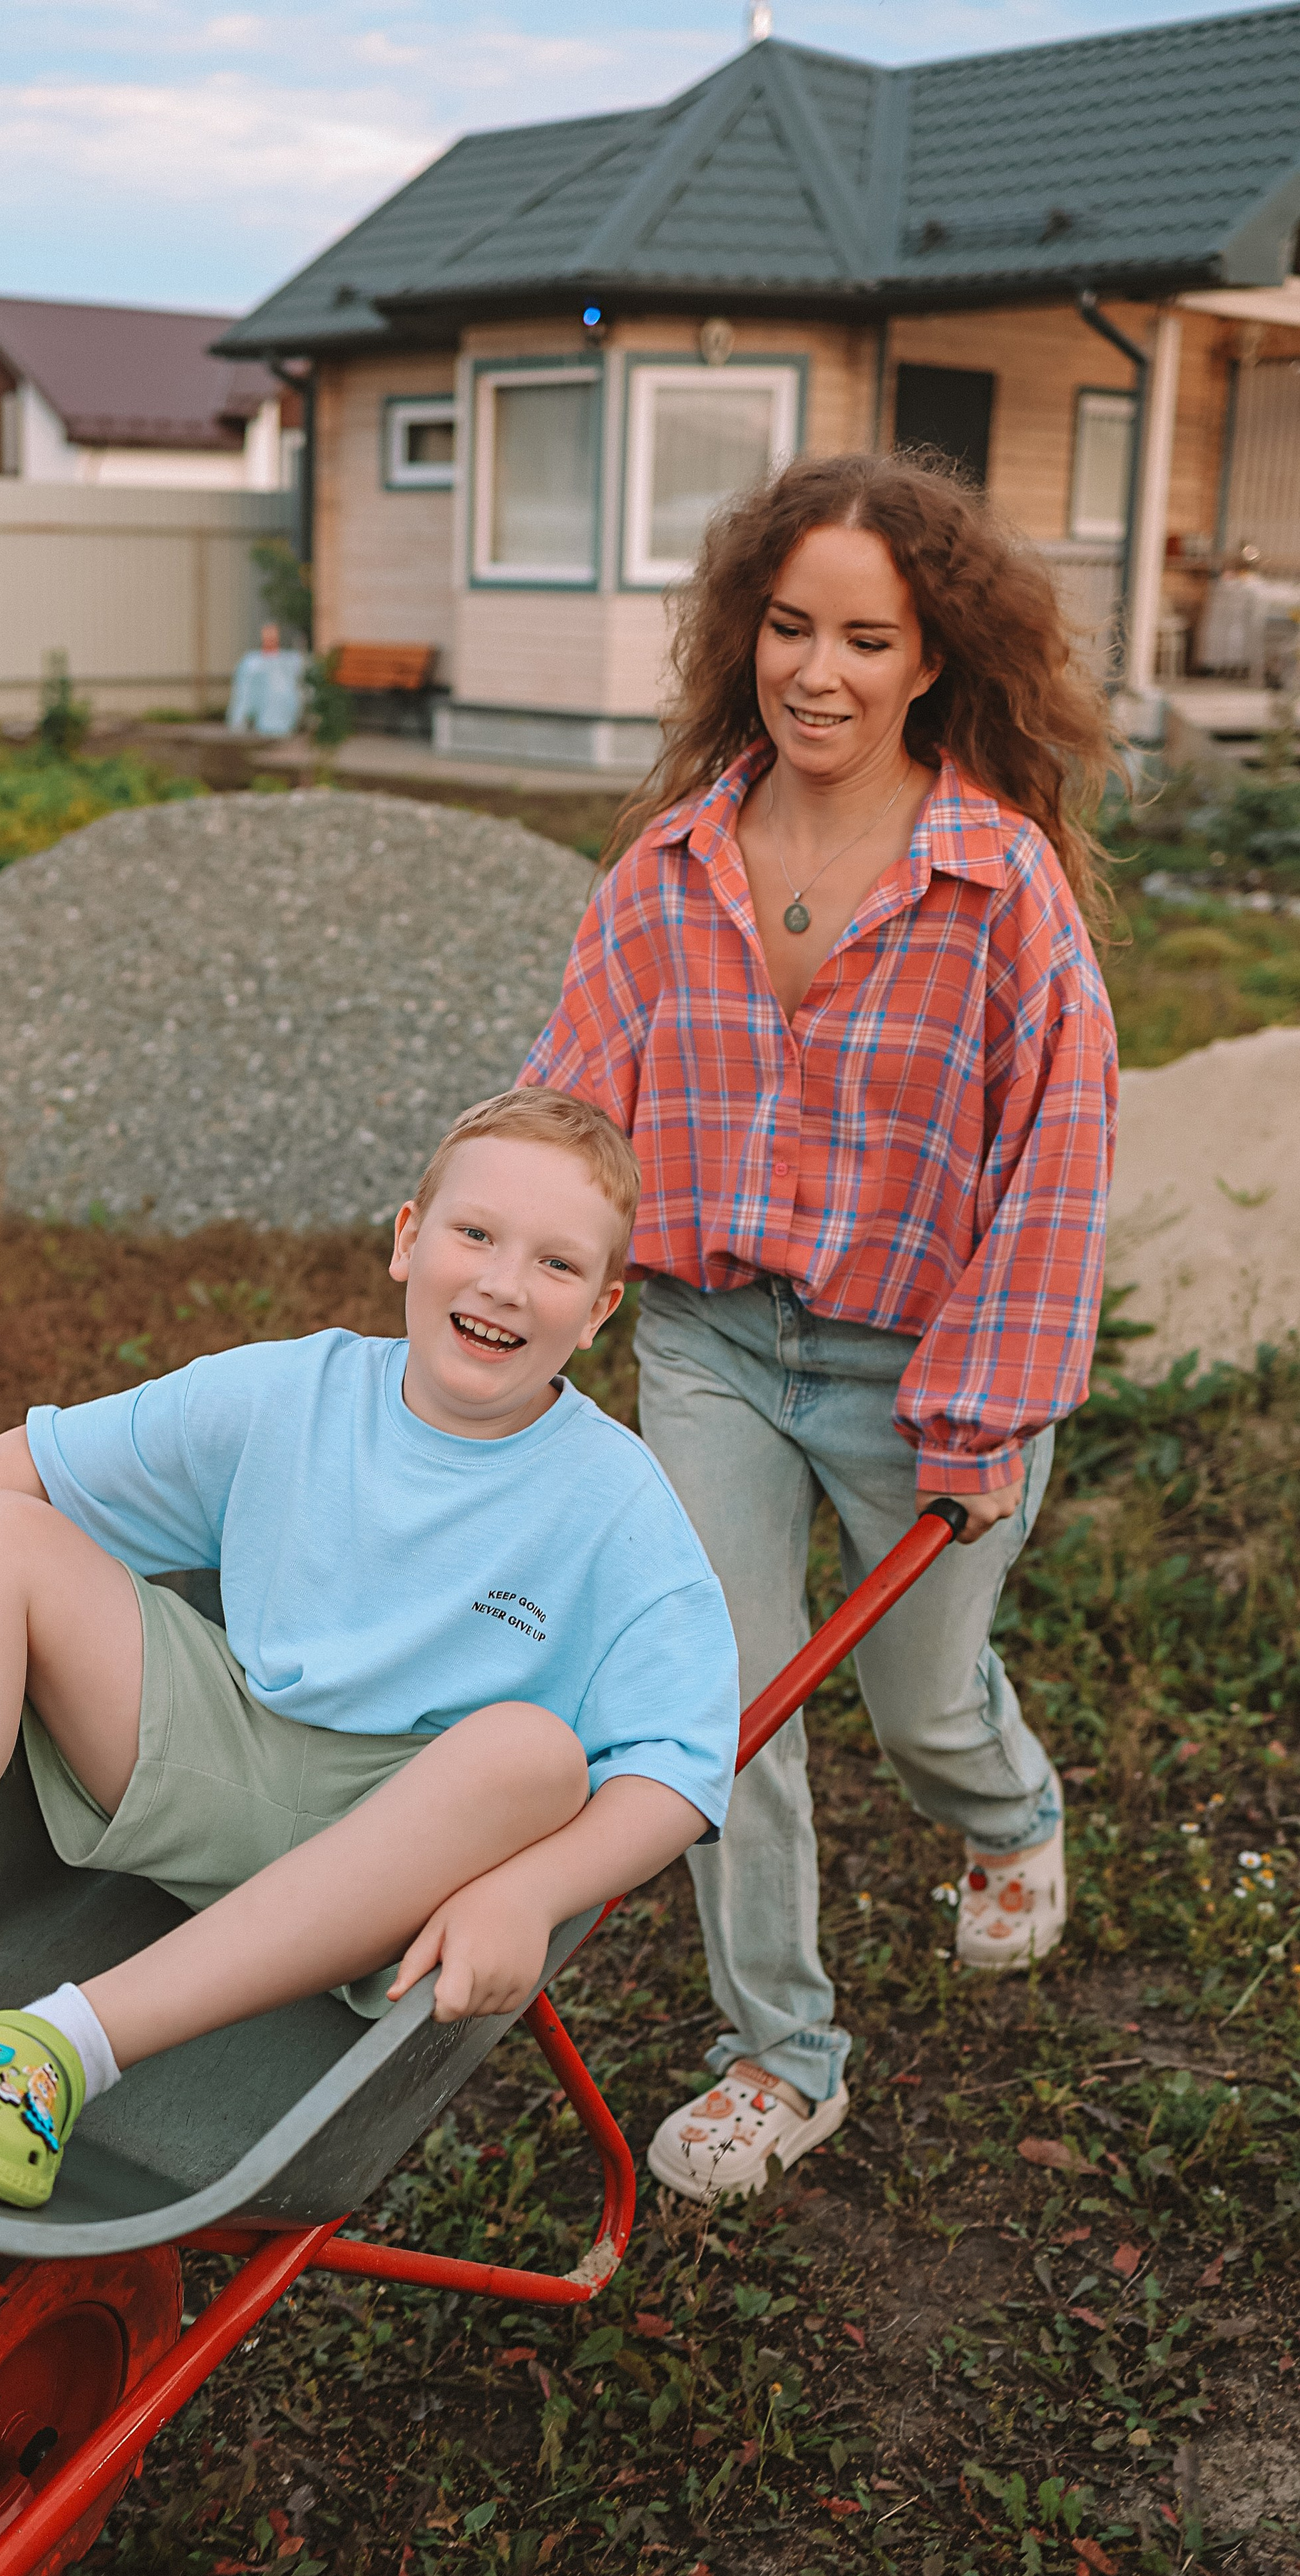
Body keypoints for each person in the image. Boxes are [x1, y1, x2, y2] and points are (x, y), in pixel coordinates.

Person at [0, 1089, 739, 2209]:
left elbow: (681, 1763)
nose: (502, 1283)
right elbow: (25, 1462)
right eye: (477, 1234)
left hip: (399, 1858)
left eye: (555, 1263)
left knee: (538, 1753)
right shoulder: (293, 1393)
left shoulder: (612, 1501)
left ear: (599, 1313)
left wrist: (530, 1892)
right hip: (225, 1758)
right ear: (407, 1240)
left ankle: (65, 2045)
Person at [522, 449, 1117, 2203]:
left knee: (918, 1704)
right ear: (743, 634)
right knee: (718, 1697)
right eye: (787, 626)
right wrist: (506, 1295)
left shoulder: (997, 886)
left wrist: (985, 1407)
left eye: (865, 636)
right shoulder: (664, 872)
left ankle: (1005, 1813)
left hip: (922, 1362)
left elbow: (1058, 1160)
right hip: (711, 1343)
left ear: (928, 658)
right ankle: (776, 2051)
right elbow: (570, 1112)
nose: (818, 671)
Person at [225, 620, 306, 737]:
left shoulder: (287, 661)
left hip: (285, 717)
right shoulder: (253, 663)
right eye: (267, 636)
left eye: (273, 636)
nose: (270, 640)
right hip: (262, 722)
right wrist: (239, 719)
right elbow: (244, 692)